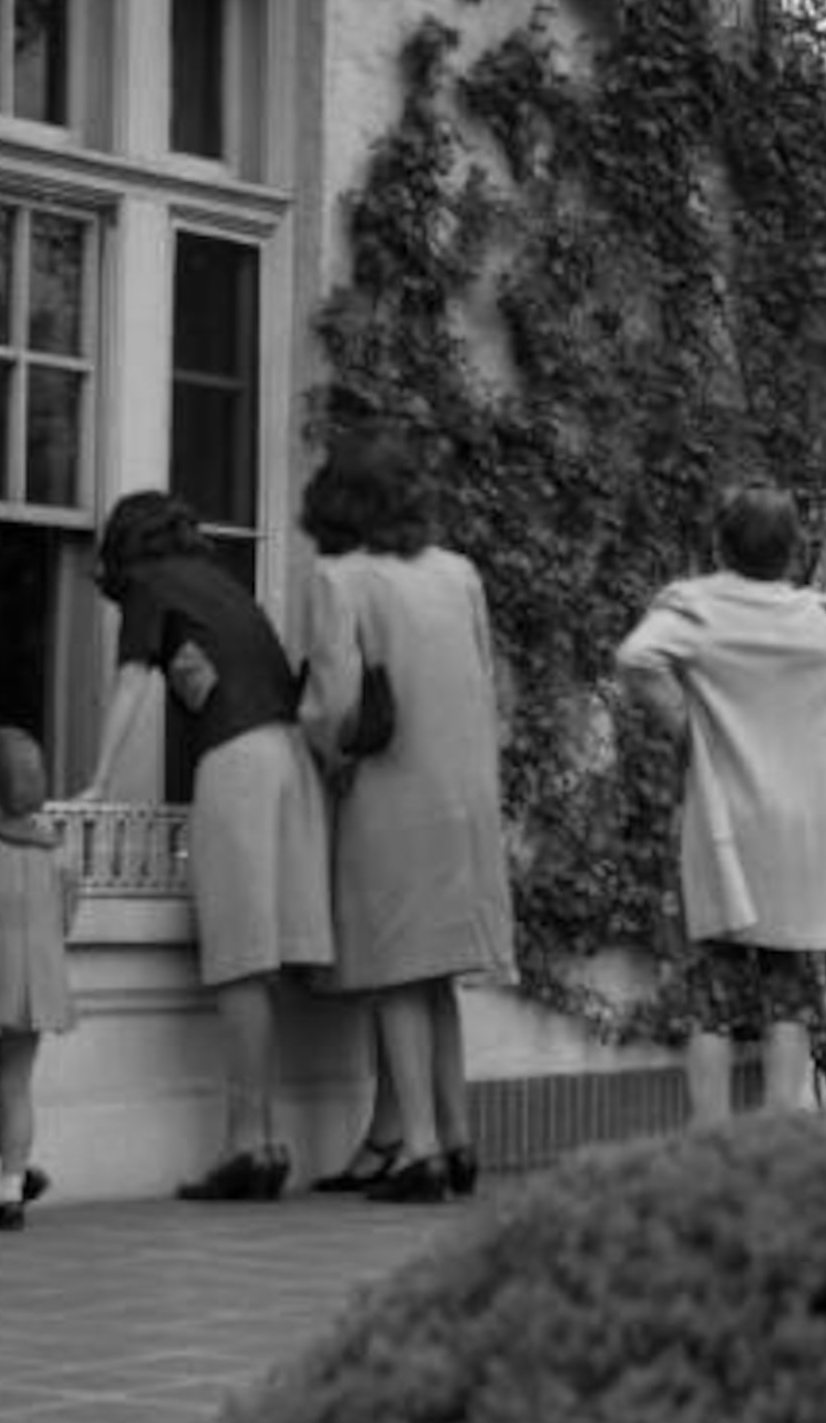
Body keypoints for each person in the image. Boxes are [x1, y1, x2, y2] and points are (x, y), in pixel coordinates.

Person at [614, 481, 826, 1127]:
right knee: (791, 993)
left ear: (719, 543)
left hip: (723, 826)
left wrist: (687, 725)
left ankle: (711, 1140)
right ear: (792, 551)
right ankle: (779, 1136)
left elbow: (636, 658)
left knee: (710, 994)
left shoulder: (696, 607)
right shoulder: (819, 618)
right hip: (797, 839)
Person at [296, 427, 514, 1204]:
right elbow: (485, 678)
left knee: (395, 970)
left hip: (389, 787)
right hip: (466, 792)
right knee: (438, 974)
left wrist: (325, 753)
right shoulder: (459, 572)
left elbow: (333, 701)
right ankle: (457, 1139)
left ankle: (419, 1148)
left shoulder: (339, 577)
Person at [97, 490, 333, 1199]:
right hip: (292, 758)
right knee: (266, 959)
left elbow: (133, 681)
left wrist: (99, 780)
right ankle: (266, 1137)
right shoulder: (222, 584)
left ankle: (247, 1142)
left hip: (237, 759)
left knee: (240, 959)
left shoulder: (150, 583)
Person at [0, 725, 72, 1230]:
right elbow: (67, 917)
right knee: (16, 1084)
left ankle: (14, 1172)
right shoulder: (56, 847)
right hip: (40, 984)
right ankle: (10, 1184)